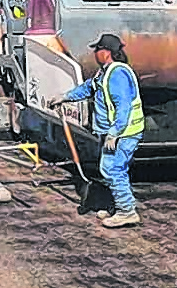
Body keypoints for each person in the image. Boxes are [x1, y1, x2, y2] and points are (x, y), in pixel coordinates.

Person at [47, 33, 145, 228]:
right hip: (113, 133)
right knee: (113, 169)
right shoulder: (104, 72)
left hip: (123, 134)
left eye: (97, 50)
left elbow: (123, 107)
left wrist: (114, 133)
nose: (94, 53)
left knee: (112, 169)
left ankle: (127, 211)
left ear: (106, 52)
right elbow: (88, 88)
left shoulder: (118, 74)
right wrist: (65, 97)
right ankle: (118, 206)